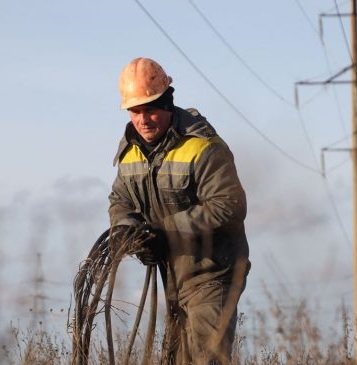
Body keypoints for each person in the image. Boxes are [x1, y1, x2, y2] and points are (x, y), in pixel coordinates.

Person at [108, 57, 250, 365]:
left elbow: (228, 204)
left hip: (214, 274)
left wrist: (163, 233)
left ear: (167, 104)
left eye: (150, 109)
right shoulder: (130, 151)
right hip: (172, 275)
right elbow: (120, 200)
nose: (143, 119)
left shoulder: (203, 146)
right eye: (135, 111)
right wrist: (130, 233)